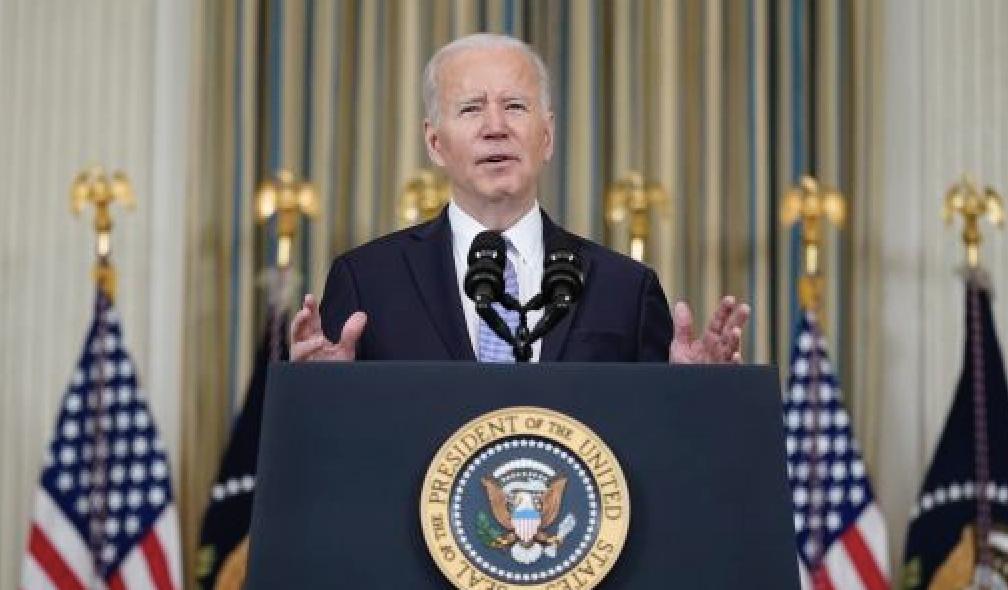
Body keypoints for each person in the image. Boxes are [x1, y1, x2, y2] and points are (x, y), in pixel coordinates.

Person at [290, 33, 749, 364]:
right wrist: (320, 393)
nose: (496, 127)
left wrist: (693, 393)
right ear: (434, 143)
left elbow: (658, 447)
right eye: (471, 108)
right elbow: (329, 456)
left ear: (546, 137)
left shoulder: (624, 289)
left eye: (515, 106)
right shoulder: (367, 281)